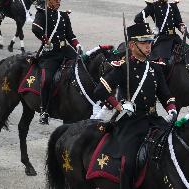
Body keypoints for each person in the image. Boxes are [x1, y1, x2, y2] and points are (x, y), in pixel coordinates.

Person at [94, 23, 177, 189]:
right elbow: (100, 91)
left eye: (150, 42)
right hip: (130, 122)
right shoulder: (122, 67)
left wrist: (172, 109)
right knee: (129, 161)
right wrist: (119, 107)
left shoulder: (155, 67)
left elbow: (166, 95)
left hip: (153, 120)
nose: (149, 46)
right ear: (132, 45)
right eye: (144, 43)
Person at [32, 0, 82, 124]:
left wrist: (77, 45)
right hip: (51, 54)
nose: (58, 2)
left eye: (59, 0)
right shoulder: (42, 13)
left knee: (83, 67)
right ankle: (44, 110)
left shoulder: (63, 16)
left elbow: (70, 35)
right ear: (48, 1)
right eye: (55, 0)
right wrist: (45, 39)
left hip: (66, 50)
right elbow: (35, 28)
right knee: (47, 80)